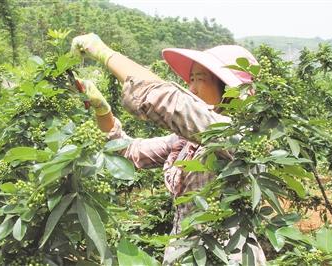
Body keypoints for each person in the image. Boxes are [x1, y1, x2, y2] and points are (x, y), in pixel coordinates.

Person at [71, 33, 266, 265]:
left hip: (226, 256)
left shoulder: (238, 137)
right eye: (190, 79)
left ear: (229, 90)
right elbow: (130, 151)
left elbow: (172, 103)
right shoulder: (186, 142)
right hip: (186, 254)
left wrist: (105, 53)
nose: (191, 88)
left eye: (200, 79)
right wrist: (103, 111)